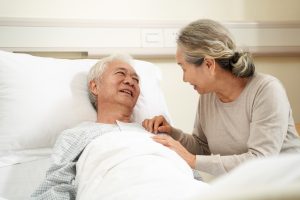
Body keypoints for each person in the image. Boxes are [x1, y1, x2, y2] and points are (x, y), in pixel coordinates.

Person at [142, 19, 300, 176]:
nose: (184, 79)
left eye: (184, 68)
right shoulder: (208, 95)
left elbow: (260, 160)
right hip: (245, 187)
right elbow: (202, 147)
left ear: (209, 65)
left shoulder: (266, 90)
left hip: (286, 185)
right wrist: (172, 133)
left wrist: (192, 160)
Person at [31, 54, 142, 199]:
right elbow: (55, 188)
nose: (130, 82)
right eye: (120, 73)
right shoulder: (76, 136)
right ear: (95, 86)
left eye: (136, 79)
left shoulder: (155, 132)